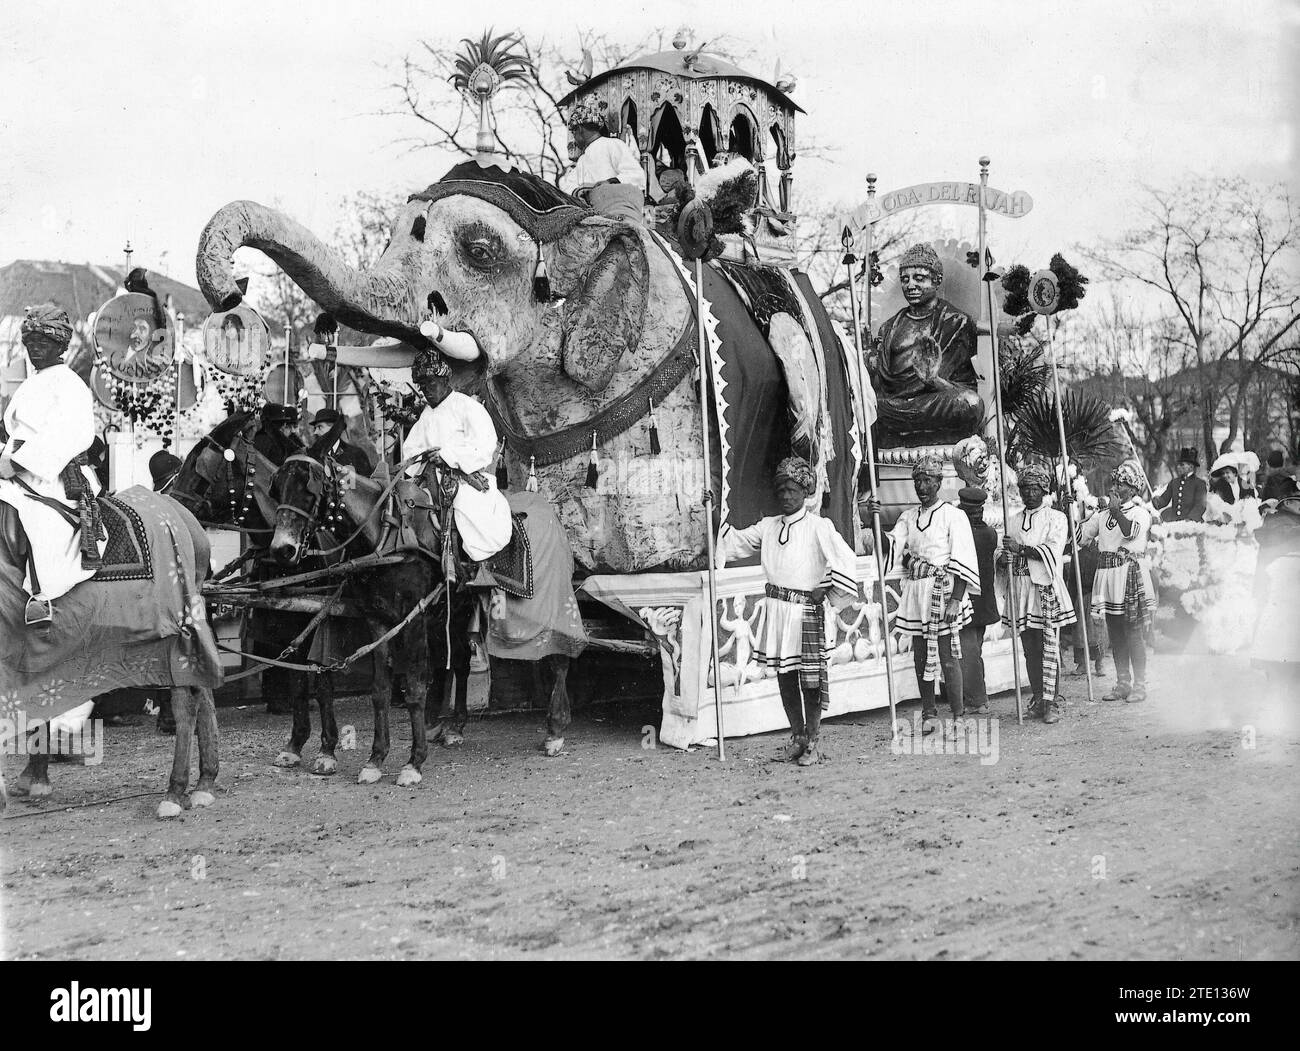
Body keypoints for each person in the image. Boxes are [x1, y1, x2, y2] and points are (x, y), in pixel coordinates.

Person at [717, 456, 859, 766]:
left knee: (809, 680)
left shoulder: (818, 526)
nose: (785, 495)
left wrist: (829, 588)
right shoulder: (769, 527)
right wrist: (713, 516)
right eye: (781, 489)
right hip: (777, 612)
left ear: (805, 491)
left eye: (792, 489)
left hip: (804, 612)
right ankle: (797, 736)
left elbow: (845, 559)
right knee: (785, 676)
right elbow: (734, 543)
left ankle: (813, 740)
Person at [0, 306, 104, 617]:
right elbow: (14, 433)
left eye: (42, 345)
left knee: (26, 515)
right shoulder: (32, 383)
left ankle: (39, 597)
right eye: (30, 345)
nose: (35, 351)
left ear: (60, 346)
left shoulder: (69, 383)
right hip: (20, 468)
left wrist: (16, 464)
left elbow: (66, 435)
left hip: (55, 476)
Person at [866, 455, 980, 736]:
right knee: (920, 654)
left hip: (943, 592)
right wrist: (873, 518)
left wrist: (956, 599)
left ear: (939, 482)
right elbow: (891, 546)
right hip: (917, 593)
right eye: (918, 480)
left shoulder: (954, 515)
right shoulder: (908, 517)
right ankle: (929, 713)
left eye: (927, 480)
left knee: (947, 655)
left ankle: (958, 715)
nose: (922, 486)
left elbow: (963, 557)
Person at [403, 349, 512, 570]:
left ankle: (477, 567)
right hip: (429, 478)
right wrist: (423, 458)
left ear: (445, 379)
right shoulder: (426, 415)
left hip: (465, 477)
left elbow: (483, 446)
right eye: (422, 386)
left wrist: (447, 455)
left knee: (465, 506)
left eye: (431, 384)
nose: (426, 391)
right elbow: (410, 449)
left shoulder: (467, 407)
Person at [869, 244, 983, 447]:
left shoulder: (956, 322)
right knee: (864, 408)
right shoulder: (888, 328)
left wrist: (933, 380)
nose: (910, 285)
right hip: (894, 406)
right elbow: (882, 386)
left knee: (970, 404)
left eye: (919, 278)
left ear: (937, 280)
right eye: (905, 279)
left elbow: (964, 387)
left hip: (933, 402)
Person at [1000, 464, 1077, 723]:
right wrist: (1002, 556)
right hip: (1021, 587)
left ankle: (1052, 701)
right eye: (1025, 488)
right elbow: (1005, 550)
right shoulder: (1013, 519)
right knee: (1029, 647)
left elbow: (1052, 551)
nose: (1029, 493)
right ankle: (1037, 697)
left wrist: (1020, 549)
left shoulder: (1056, 518)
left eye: (1035, 488)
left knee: (1047, 645)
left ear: (1044, 490)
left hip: (1043, 587)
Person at [1079, 461, 1155, 703]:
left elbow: (1130, 532)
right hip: (1107, 576)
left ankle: (1140, 685)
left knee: (1132, 631)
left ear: (1132, 490)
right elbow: (1081, 537)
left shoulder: (1140, 513)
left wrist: (1114, 511)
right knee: (1115, 631)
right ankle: (1123, 682)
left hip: (1129, 575)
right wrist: (1071, 512)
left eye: (1121, 484)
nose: (1116, 487)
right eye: (1115, 482)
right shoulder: (1103, 514)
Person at [943, 486, 997, 716]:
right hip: (984, 600)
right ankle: (974, 695)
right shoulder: (990, 532)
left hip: (969, 598)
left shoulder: (971, 534)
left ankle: (977, 698)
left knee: (968, 651)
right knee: (974, 649)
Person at [1250, 493, 1300, 701]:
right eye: (1298, 502)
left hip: (1291, 584)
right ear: (1287, 503)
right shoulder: (1276, 520)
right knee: (1276, 636)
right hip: (1277, 584)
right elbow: (1277, 536)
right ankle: (1277, 683)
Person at [559, 102, 645, 223]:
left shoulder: (613, 145)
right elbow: (567, 189)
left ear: (580, 129)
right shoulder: (582, 160)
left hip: (619, 213)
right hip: (591, 217)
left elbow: (637, 176)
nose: (574, 138)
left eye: (574, 133)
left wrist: (608, 183)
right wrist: (580, 191)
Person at [310, 408, 373, 476]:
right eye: (315, 428)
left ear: (334, 428)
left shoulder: (356, 454)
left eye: (320, 427)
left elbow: (366, 484)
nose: (315, 432)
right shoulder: (312, 456)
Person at [1152, 447, 1207, 523]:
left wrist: (1190, 519)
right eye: (1178, 465)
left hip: (1192, 524)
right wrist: (1157, 501)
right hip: (1175, 521)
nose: (1178, 467)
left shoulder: (1200, 483)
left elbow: (1200, 505)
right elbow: (1164, 500)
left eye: (1182, 465)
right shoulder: (1174, 482)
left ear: (1191, 466)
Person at [1204, 453, 1260, 527]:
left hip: (1245, 519)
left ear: (1234, 473)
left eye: (1227, 472)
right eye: (1223, 473)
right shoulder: (1222, 486)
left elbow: (1252, 505)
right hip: (1229, 521)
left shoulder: (1247, 485)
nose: (1225, 476)